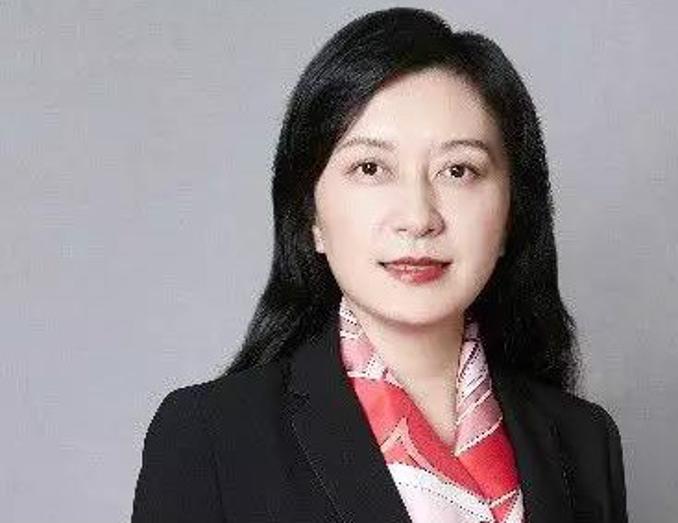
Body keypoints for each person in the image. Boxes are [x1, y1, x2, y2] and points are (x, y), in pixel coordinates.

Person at [132, 7, 628, 523]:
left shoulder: (583, 441)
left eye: (459, 170)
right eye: (371, 168)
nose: (418, 217)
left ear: (511, 213)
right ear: (311, 214)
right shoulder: (212, 437)